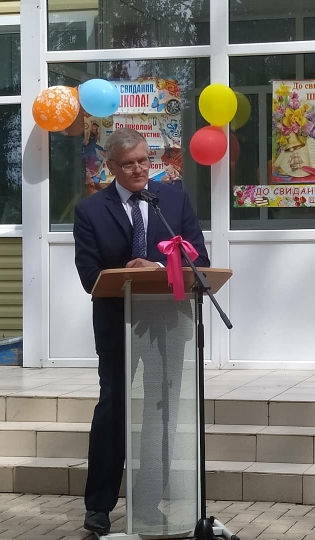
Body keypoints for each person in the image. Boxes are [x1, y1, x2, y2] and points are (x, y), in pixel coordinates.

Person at [73, 128, 210, 536]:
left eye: (144, 161)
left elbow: (200, 259)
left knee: (161, 411)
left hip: (167, 322)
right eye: (129, 164)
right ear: (111, 166)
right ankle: (99, 506)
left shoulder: (173, 200)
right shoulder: (91, 210)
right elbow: (89, 275)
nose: (138, 169)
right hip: (117, 324)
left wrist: (159, 267)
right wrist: (127, 274)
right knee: (113, 409)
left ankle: (149, 504)